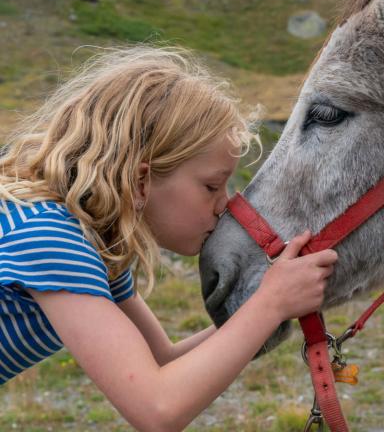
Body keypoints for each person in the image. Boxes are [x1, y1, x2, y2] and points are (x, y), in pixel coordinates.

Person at [0, 46, 337, 431]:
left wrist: (270, 306)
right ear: (142, 179)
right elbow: (156, 408)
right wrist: (270, 304)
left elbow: (162, 361)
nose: (224, 205)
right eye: (211, 185)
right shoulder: (49, 238)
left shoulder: (95, 239)